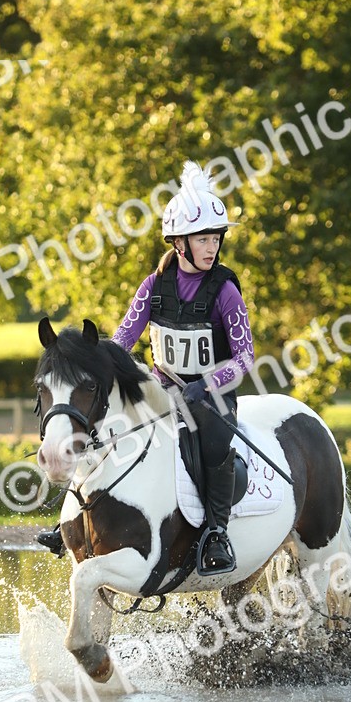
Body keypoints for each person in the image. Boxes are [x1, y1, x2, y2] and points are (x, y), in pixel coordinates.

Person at [38, 160, 255, 574]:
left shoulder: (225, 291)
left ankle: (217, 533)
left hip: (213, 396)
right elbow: (122, 340)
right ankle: (70, 517)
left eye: (215, 238)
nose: (212, 247)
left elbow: (245, 358)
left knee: (212, 445)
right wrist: (90, 359)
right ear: (179, 243)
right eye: (203, 239)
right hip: (161, 389)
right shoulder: (154, 286)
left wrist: (206, 385)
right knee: (103, 427)